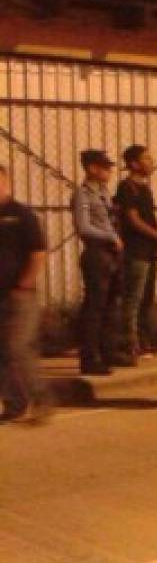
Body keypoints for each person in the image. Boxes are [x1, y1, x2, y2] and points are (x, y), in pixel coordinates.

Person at [72, 149, 133, 375]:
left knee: (111, 304)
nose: (108, 171)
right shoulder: (83, 194)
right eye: (104, 167)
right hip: (97, 252)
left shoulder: (104, 193)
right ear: (91, 168)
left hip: (113, 253)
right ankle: (90, 357)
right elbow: (83, 226)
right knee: (95, 306)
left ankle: (108, 350)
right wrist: (110, 237)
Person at [0, 164, 52, 423]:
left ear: (6, 183)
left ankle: (40, 397)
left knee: (18, 348)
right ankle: (14, 404)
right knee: (2, 351)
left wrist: (25, 284)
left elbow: (38, 252)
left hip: (20, 295)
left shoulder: (21, 215)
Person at [114, 145, 157, 359]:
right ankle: (130, 342)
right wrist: (155, 234)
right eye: (146, 158)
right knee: (133, 298)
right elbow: (132, 219)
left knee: (146, 298)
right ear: (134, 163)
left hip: (149, 250)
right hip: (136, 250)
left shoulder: (144, 188)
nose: (151, 161)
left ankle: (144, 340)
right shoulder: (127, 188)